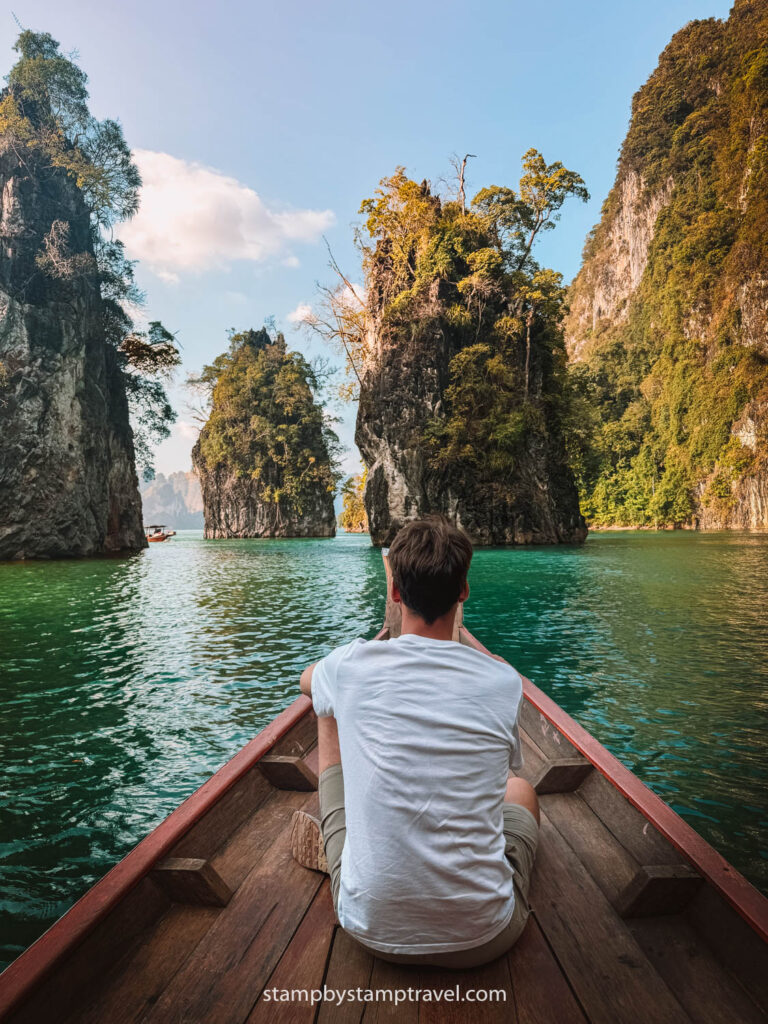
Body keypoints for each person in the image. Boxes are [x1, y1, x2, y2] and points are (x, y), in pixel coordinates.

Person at [293, 514, 539, 968]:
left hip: (369, 929)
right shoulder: (503, 682)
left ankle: (342, 841)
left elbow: (306, 681)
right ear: (463, 592)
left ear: (394, 592)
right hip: (484, 937)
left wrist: (354, 662)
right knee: (521, 792)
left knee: (326, 706)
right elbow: (508, 770)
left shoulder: (348, 667)